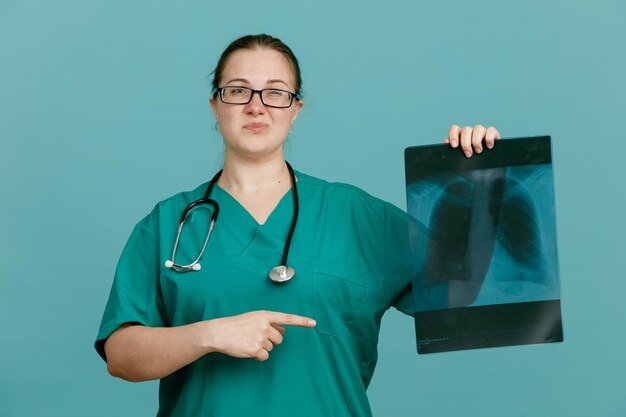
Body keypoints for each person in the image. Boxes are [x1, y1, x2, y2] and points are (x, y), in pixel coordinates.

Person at [95, 34, 501, 417]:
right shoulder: (168, 224)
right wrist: (210, 335)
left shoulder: (356, 215)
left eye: (275, 92)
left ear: (296, 109)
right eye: (238, 91)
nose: (257, 107)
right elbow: (122, 355)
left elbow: (459, 294)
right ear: (215, 106)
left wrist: (476, 179)